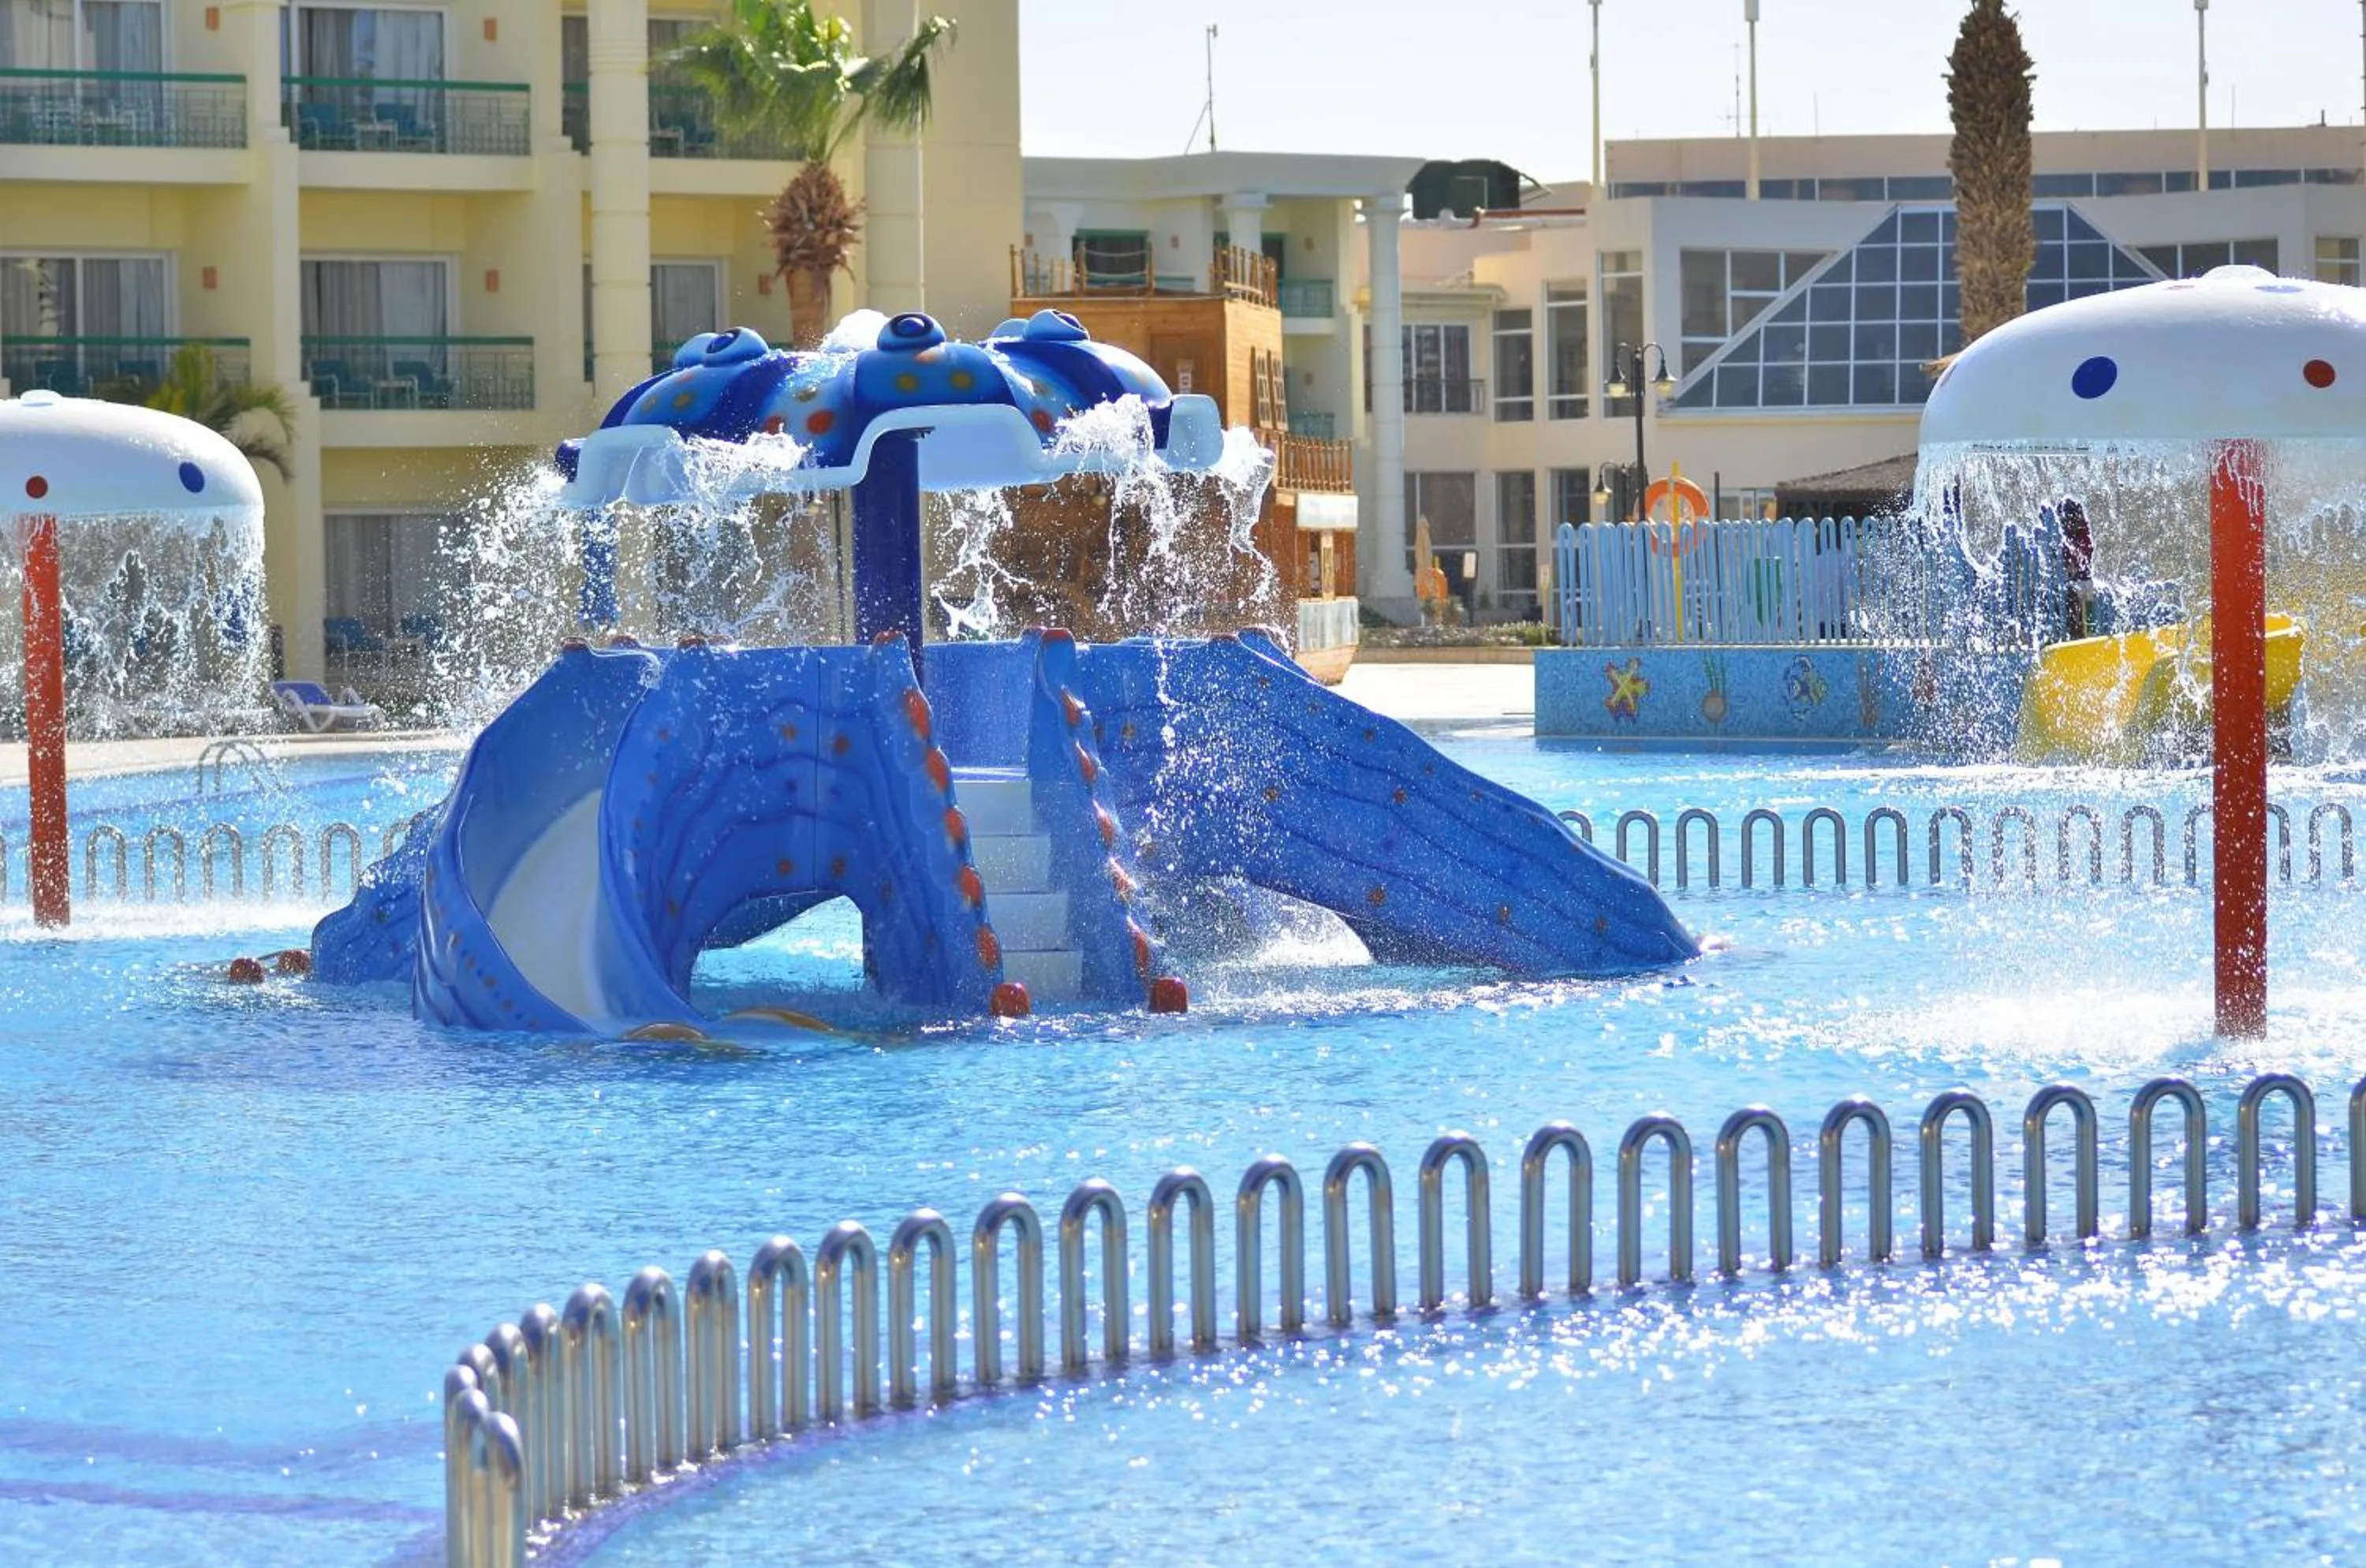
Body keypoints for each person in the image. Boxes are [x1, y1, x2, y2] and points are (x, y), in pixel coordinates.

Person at [2058, 495, 2096, 639]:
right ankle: (2083, 634)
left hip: (2082, 581)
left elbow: (2086, 553)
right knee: (2080, 595)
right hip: (2075, 582)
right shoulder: (2065, 536)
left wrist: (2073, 563)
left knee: (2084, 594)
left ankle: (2086, 634)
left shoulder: (2081, 533)